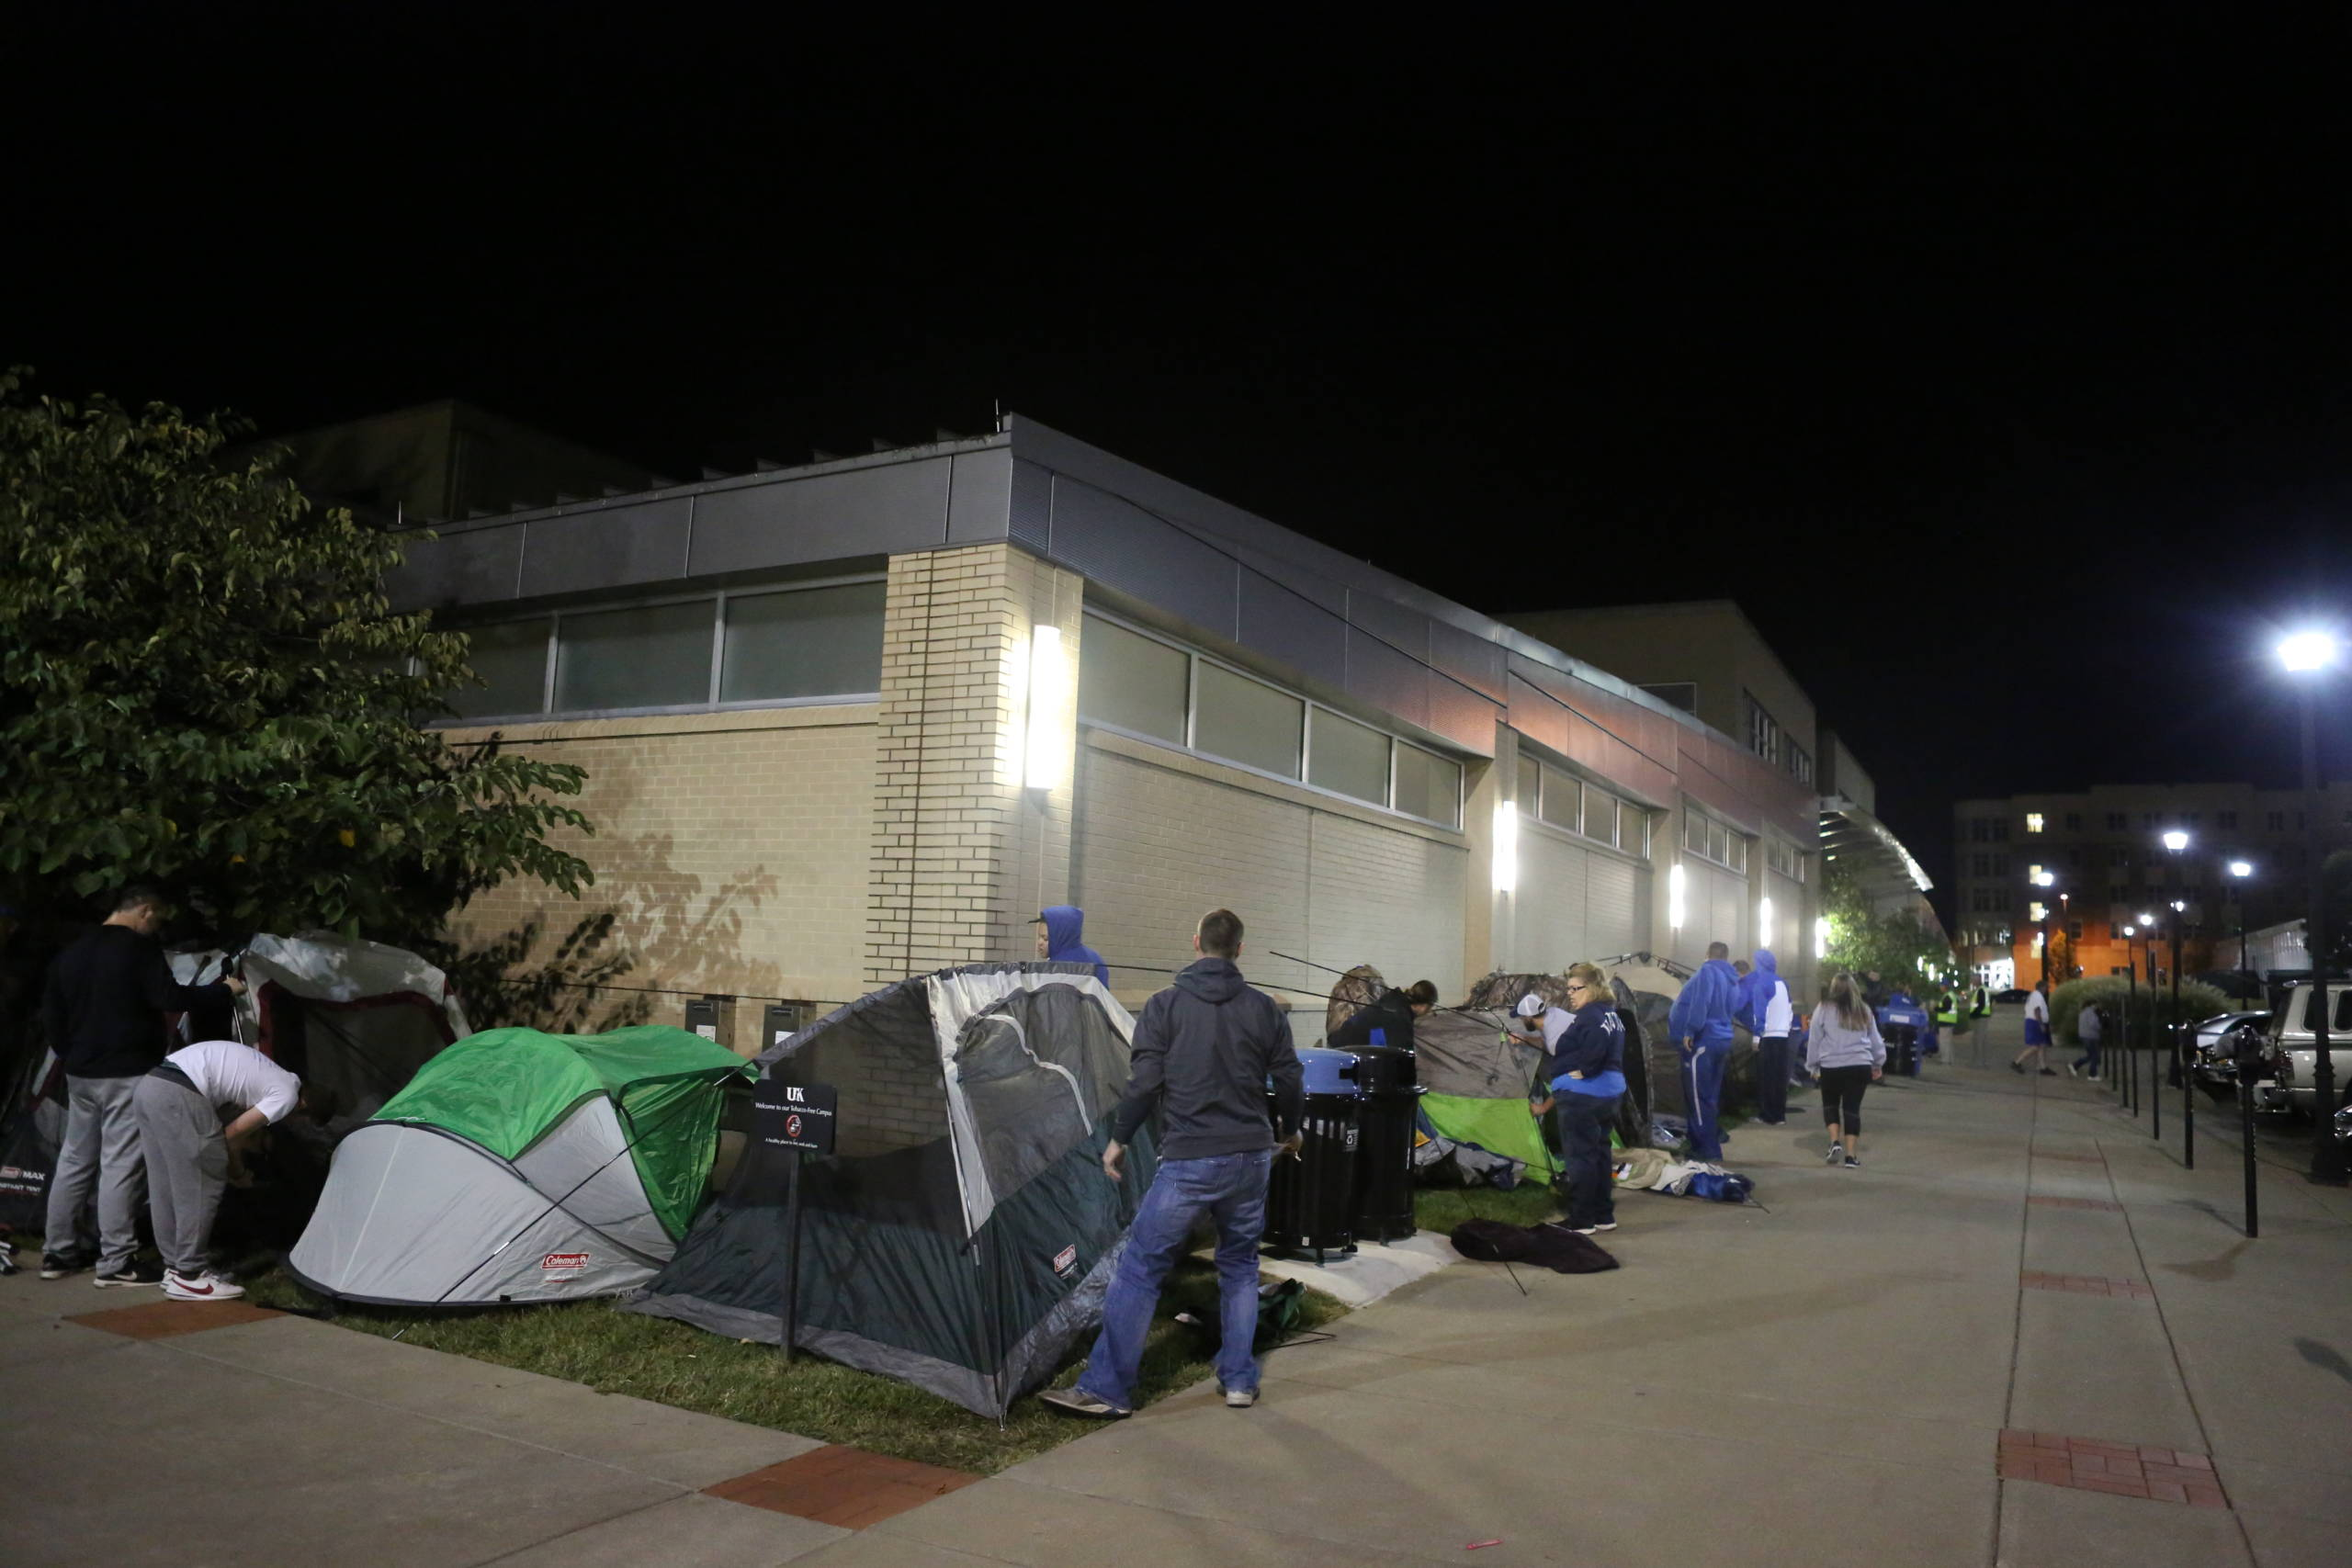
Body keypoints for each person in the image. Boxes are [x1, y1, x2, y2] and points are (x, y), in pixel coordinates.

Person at [1043, 908, 1304, 1418]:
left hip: (1190, 1159)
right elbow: (1291, 1079)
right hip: (1251, 1157)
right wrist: (1289, 1131)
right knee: (1239, 1267)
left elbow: (1144, 1084)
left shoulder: (1164, 1007)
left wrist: (1119, 1139)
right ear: (1239, 950)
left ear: (1195, 943)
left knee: (1140, 1269)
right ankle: (1238, 1380)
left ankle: (1106, 1389)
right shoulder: (1265, 1009)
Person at [38, 886, 244, 1285]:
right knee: (120, 1164)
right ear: (146, 911)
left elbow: (52, 1015)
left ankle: (57, 1252)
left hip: (80, 1071)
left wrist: (72, 1053)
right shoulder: (137, 949)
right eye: (159, 919)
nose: (158, 928)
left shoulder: (71, 952)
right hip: (127, 1069)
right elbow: (168, 997)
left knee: (75, 1159)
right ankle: (115, 1262)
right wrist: (222, 991)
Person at [132, 1039, 327, 1301]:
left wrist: (235, 1169)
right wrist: (237, 1175)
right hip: (182, 1091)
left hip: (151, 1084)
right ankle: (190, 1275)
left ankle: (175, 1268)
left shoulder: (274, 1075)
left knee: (164, 1185)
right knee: (204, 1181)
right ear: (304, 1109)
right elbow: (231, 1137)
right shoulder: (287, 1095)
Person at [1519, 963, 1626, 1235]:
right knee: (1600, 1155)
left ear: (1592, 988)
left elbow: (1596, 1045)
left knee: (1580, 1158)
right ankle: (1603, 1215)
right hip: (1609, 1095)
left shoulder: (1590, 1016)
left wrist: (1584, 1070)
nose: (1571, 994)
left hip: (1583, 1096)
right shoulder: (1611, 1014)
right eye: (1569, 989)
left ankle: (1581, 1220)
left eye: (1575, 989)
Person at [1666, 941, 1739, 1161]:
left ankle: (1706, 1149)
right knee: (1709, 1096)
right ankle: (1708, 1139)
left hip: (1702, 1042)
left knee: (1697, 1097)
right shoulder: (1732, 978)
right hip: (1722, 1038)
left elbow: (1701, 1001)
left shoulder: (1708, 971)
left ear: (1708, 954)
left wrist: (1690, 1030)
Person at [1810, 973, 1885, 1168]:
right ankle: (1851, 1156)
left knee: (1830, 1104)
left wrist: (1812, 1065)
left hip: (1831, 1065)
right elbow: (1875, 1040)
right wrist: (1878, 1063)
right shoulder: (1864, 1010)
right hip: (1859, 1064)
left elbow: (1815, 1038)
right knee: (1852, 1109)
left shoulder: (1823, 1008)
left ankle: (1835, 1142)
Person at [1736, 948, 1794, 1124]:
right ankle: (1779, 1115)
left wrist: (1756, 1037)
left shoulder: (1761, 983)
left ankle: (1767, 1115)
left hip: (1767, 1036)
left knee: (1766, 1078)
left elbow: (1759, 1012)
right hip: (1783, 1035)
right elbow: (1790, 1009)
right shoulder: (1783, 983)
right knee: (1779, 1077)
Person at [1329, 979, 1438, 1051]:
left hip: (1340, 1044)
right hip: (1343, 1053)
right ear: (1424, 1006)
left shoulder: (1393, 1000)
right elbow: (1402, 1058)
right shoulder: (1399, 1018)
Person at [1034, 906, 1109, 987]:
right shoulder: (1095, 957)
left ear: (1062, 936)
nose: (1039, 942)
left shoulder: (1058, 968)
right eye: (1039, 937)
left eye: (1045, 938)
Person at [2012, 980, 2055, 1076]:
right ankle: (2016, 1062)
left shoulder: (2034, 995)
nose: (2047, 990)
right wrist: (2041, 1024)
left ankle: (2043, 1068)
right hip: (2034, 1022)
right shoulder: (2037, 996)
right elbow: (2037, 1010)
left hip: (2033, 1022)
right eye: (2047, 987)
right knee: (2035, 1046)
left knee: (2041, 1045)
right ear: (2042, 987)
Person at [2069, 998, 2104, 1079]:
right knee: (2095, 1055)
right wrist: (2100, 1027)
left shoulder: (2083, 1012)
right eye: (2096, 1005)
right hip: (2091, 1036)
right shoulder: (2091, 1013)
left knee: (2091, 1055)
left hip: (2084, 1036)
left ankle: (2075, 1066)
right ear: (2092, 1005)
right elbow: (2093, 1024)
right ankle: (2092, 1074)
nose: (2097, 1006)